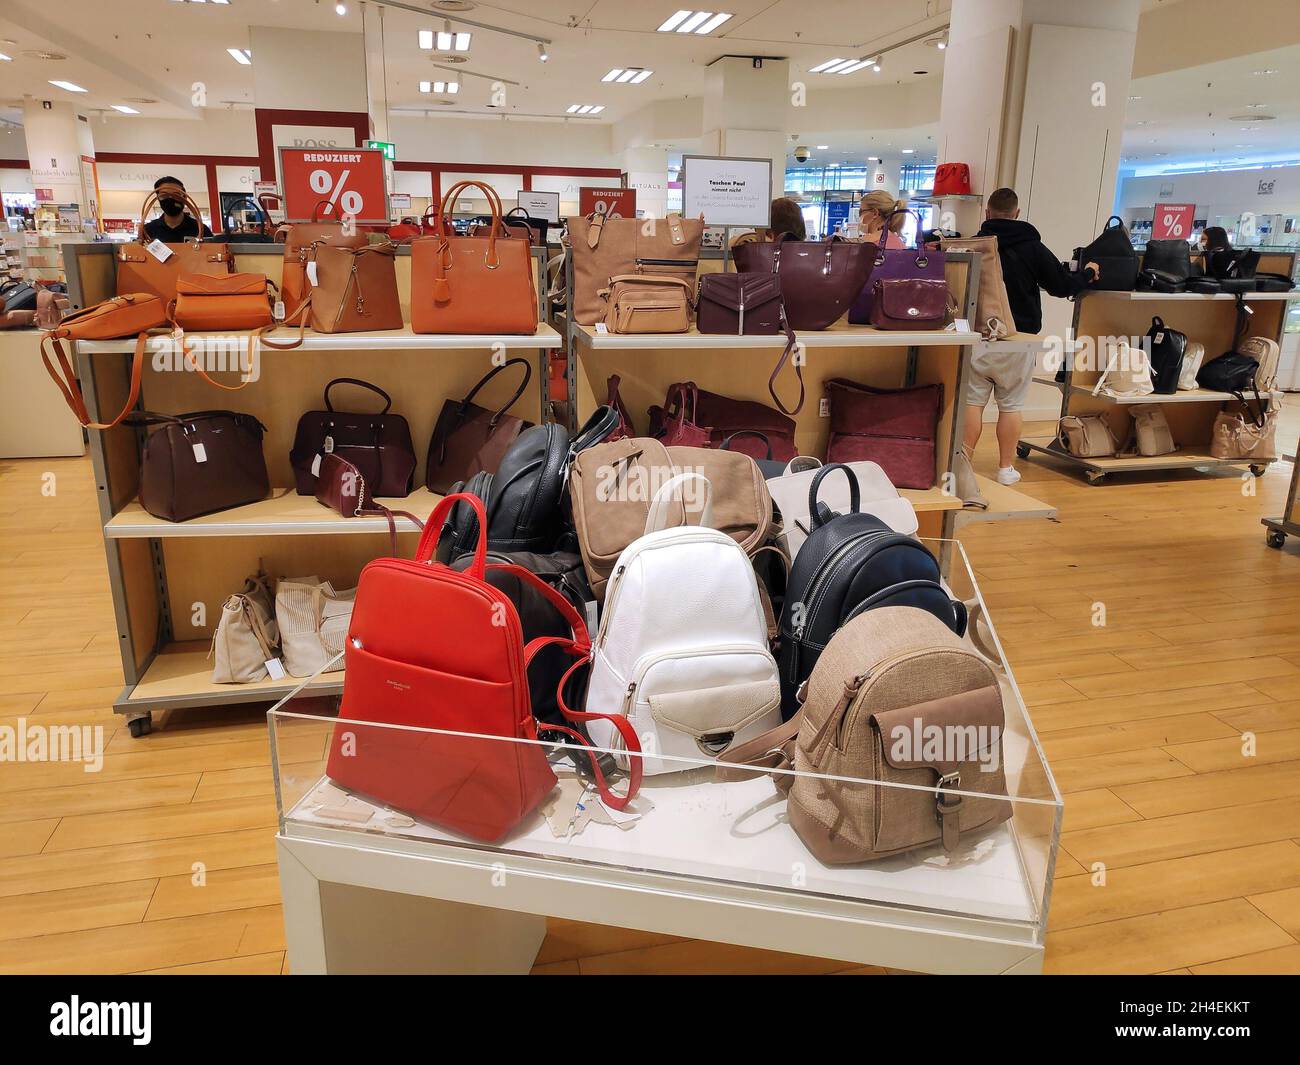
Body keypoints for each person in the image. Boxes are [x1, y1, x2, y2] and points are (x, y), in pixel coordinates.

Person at [963, 186, 1098, 485]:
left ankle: (964, 466)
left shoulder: (975, 244)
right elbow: (1062, 286)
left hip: (978, 335)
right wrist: (1087, 273)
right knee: (1011, 405)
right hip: (1019, 338)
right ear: (1017, 213)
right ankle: (1005, 468)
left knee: (972, 403)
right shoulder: (1032, 246)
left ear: (987, 213)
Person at [142, 176, 212, 242]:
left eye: (176, 195)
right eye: (164, 195)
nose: (170, 199)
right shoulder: (148, 230)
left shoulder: (201, 229)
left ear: (184, 198)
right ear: (158, 198)